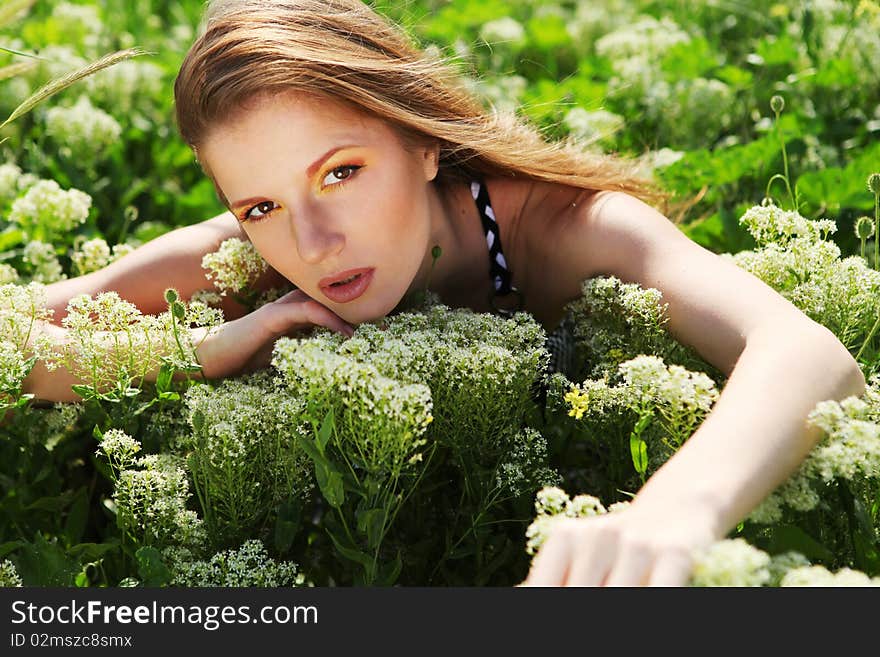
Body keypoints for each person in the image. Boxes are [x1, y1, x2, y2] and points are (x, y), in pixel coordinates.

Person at [23, 0, 865, 586]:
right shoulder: (247, 260)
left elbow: (807, 354)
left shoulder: (564, 228)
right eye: (262, 204)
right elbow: (11, 343)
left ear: (423, 143)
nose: (312, 243)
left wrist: (669, 514)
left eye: (341, 172)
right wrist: (197, 351)